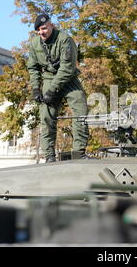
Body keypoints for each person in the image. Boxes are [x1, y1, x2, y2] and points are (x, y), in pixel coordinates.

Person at [27, 14, 89, 163]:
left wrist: (52, 90)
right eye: (38, 30)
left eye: (44, 28)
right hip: (49, 78)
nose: (41, 32)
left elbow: (67, 68)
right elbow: (33, 68)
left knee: (80, 110)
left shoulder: (65, 40)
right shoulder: (35, 44)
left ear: (51, 26)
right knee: (46, 116)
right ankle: (49, 156)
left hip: (69, 79)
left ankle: (79, 152)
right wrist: (36, 89)